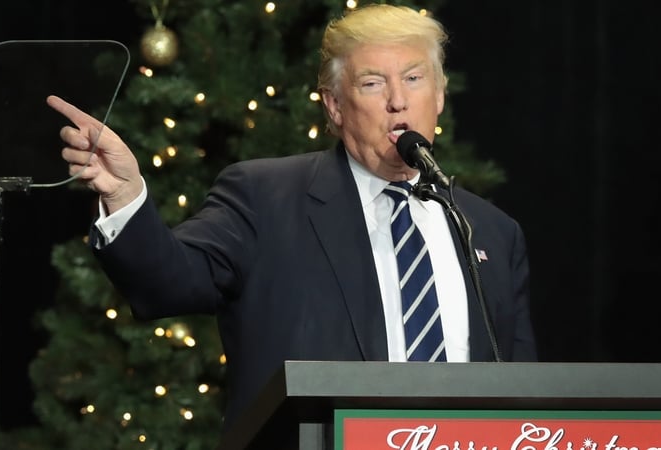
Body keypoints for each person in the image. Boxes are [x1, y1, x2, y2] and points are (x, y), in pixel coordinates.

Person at [48, 2, 537, 443]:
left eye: (414, 78)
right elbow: (168, 282)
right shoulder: (266, 198)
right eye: (372, 83)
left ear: (441, 95)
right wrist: (125, 194)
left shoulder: (490, 230)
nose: (398, 101)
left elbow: (525, 397)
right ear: (335, 107)